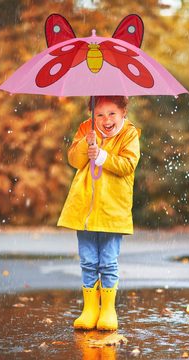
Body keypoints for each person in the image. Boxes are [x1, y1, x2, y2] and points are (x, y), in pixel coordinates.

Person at [57, 96, 140, 331]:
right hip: (85, 208)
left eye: (112, 113)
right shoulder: (86, 128)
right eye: (100, 114)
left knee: (108, 261)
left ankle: (108, 309)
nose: (106, 120)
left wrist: (102, 156)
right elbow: (74, 160)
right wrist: (86, 143)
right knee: (88, 260)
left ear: (123, 112)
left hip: (112, 209)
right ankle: (90, 308)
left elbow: (128, 165)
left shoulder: (129, 134)